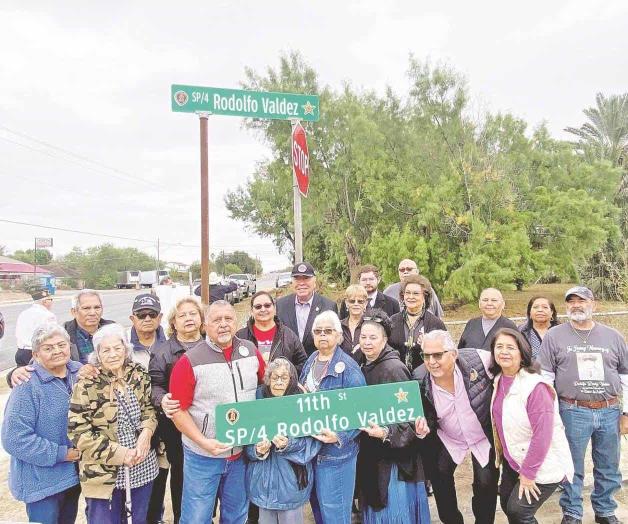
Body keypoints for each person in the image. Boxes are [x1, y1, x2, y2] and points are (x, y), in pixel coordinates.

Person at [168, 300, 265, 523]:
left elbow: (267, 388)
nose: (223, 325)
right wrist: (203, 442)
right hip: (203, 457)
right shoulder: (189, 361)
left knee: (236, 515)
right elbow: (179, 412)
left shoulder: (250, 351)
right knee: (196, 517)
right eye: (216, 320)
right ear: (205, 325)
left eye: (228, 319)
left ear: (237, 322)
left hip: (240, 454)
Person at [538, 286, 628, 524]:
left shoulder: (613, 336)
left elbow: (626, 377)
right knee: (571, 465)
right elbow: (545, 378)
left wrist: (626, 412)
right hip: (572, 410)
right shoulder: (554, 336)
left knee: (608, 465)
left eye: (582, 301)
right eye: (572, 302)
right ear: (566, 306)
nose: (576, 305)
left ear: (593, 305)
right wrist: (549, 413)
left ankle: (606, 510)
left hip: (609, 410)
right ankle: (572, 512)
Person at [68, 323, 158, 524]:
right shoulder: (87, 383)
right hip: (103, 473)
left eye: (117, 348)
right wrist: (120, 454)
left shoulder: (138, 374)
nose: (113, 354)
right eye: (105, 350)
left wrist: (146, 433)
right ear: (97, 354)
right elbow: (79, 433)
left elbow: (148, 409)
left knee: (138, 519)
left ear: (126, 349)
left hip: (142, 464)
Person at [413, 330, 499, 524]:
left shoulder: (480, 359)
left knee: (486, 483)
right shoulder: (418, 378)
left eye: (437, 355)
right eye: (426, 355)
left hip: (481, 436)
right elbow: (421, 417)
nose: (431, 361)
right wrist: (420, 429)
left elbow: (509, 370)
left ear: (453, 353)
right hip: (449, 438)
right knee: (440, 478)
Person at [490, 327, 574, 523]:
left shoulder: (534, 386)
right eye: (499, 346)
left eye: (510, 347)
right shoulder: (498, 380)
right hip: (514, 461)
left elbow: (542, 435)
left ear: (522, 353)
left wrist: (528, 474)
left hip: (542, 464)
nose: (504, 351)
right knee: (507, 506)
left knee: (519, 511)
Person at [1, 324, 81, 524]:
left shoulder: (79, 373)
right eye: (48, 348)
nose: (56, 351)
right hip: (41, 484)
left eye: (61, 345)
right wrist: (62, 454)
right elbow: (14, 439)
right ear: (35, 355)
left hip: (73, 477)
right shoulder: (27, 385)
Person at [357, 310, 431, 523]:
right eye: (363, 337)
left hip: (394, 463)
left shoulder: (394, 369)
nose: (367, 342)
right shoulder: (361, 364)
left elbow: (411, 421)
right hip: (371, 455)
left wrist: (386, 432)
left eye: (373, 337)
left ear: (385, 339)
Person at [299, 310, 366, 524]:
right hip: (312, 454)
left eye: (328, 331)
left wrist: (339, 436)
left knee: (335, 513)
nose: (323, 335)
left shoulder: (349, 369)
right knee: (318, 508)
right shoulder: (311, 360)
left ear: (339, 336)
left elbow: (362, 412)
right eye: (318, 331)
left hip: (337, 456)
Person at [148, 296, 205, 524]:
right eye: (182, 315)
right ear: (173, 323)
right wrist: (162, 399)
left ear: (202, 319)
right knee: (182, 473)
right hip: (177, 425)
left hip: (209, 420)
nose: (188, 318)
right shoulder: (162, 352)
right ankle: (183, 518)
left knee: (207, 474)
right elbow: (154, 385)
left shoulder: (213, 345)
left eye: (193, 313)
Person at [246, 358, 321, 524]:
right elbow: (244, 442)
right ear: (268, 379)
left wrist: (288, 445)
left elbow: (312, 445)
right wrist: (257, 450)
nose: (279, 382)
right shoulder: (256, 400)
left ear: (291, 380)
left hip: (292, 485)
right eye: (274, 377)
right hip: (262, 484)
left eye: (284, 377)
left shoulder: (302, 403)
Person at [8, 288, 114, 387]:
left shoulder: (113, 331)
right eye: (86, 308)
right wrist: (15, 373)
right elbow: (36, 362)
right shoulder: (60, 336)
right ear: (74, 312)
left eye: (97, 307)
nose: (92, 313)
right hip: (75, 393)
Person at [236, 290, 308, 373]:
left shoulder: (288, 335)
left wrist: (286, 374)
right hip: (251, 385)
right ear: (251, 311)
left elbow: (303, 363)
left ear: (274, 308)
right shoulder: (240, 336)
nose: (263, 309)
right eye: (258, 307)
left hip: (279, 385)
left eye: (267, 305)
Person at [276, 262, 338, 356]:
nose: (301, 283)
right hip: (289, 366)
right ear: (292, 282)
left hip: (318, 364)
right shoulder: (281, 305)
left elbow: (334, 341)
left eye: (306, 278)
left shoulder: (328, 306)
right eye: (297, 279)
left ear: (314, 281)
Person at [389, 275, 446, 371]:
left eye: (416, 293)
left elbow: (444, 354)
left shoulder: (436, 324)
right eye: (407, 293)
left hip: (426, 377)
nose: (411, 297)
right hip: (397, 377)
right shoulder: (392, 321)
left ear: (425, 297)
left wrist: (428, 345)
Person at [14, 285, 56, 365]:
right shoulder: (48, 315)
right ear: (44, 301)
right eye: (50, 299)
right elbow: (51, 336)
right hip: (35, 354)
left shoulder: (24, 313)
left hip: (20, 352)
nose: (52, 302)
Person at [128, 293, 167, 368]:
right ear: (132, 319)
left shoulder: (171, 339)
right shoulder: (123, 342)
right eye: (141, 315)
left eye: (152, 314)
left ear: (160, 318)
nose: (147, 319)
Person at [518, 296, 559, 360]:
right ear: (530, 312)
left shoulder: (561, 331)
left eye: (545, 307)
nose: (540, 310)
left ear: (552, 312)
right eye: (535, 307)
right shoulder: (521, 332)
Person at [340, 284, 368, 363]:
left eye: (360, 301)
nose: (356, 304)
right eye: (352, 301)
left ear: (365, 303)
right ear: (346, 303)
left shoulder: (371, 326)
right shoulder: (338, 326)